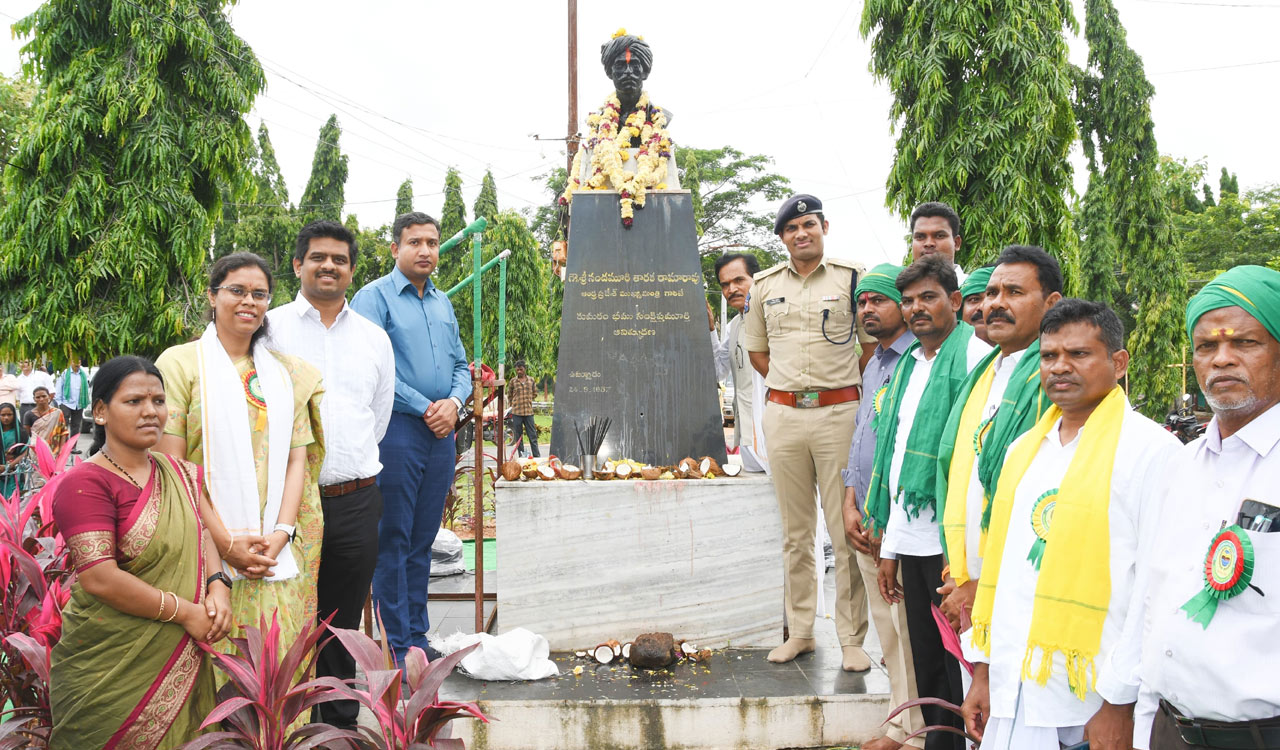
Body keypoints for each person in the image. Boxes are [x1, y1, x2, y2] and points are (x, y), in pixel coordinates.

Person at [958, 300, 1180, 750]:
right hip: (1013, 686)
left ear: (1118, 363)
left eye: (1078, 355)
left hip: (1089, 698)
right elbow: (1004, 575)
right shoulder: (1024, 449)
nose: (1060, 367)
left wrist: (1118, 704)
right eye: (1049, 356)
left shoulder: (1151, 452)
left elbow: (1154, 593)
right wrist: (983, 672)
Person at [1123, 265, 1280, 748]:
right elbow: (1154, 603)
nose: (1222, 360)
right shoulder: (1180, 465)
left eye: (1246, 343)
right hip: (1169, 730)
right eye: (1206, 347)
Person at [49, 355, 234, 748]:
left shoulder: (179, 472)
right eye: (134, 401)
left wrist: (219, 586)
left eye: (158, 400)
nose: (151, 411)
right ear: (100, 412)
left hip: (181, 652)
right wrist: (187, 612)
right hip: (109, 667)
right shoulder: (85, 483)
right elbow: (100, 578)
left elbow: (201, 534)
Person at [156, 252, 326, 665]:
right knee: (215, 666)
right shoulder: (179, 364)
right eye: (236, 290)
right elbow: (175, 468)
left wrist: (282, 535)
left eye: (259, 293)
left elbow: (295, 461)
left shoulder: (287, 373)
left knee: (281, 668)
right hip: (203, 543)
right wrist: (227, 543)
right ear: (212, 296)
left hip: (278, 551)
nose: (249, 301)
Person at [266, 220, 394, 729]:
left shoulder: (373, 338)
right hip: (284, 504)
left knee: (341, 622)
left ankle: (338, 729)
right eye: (317, 257)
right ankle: (283, 726)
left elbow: (377, 417)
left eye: (339, 259)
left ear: (352, 270)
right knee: (284, 617)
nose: (328, 266)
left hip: (355, 498)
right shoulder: (270, 329)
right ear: (297, 265)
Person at [741, 194, 876, 671]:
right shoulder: (763, 286)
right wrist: (792, 388)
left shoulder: (852, 278)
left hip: (840, 414)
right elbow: (758, 353)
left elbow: (869, 347)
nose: (802, 233)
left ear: (824, 227)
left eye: (809, 225)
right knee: (796, 533)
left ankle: (852, 639)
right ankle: (801, 632)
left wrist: (835, 386)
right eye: (792, 228)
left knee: (845, 529)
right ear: (781, 237)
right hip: (784, 416)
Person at [866, 255, 991, 750]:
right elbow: (898, 463)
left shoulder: (975, 356)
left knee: (966, 669)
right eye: (910, 300)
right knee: (930, 672)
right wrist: (891, 549)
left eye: (928, 297)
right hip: (913, 540)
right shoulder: (908, 366)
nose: (916, 309)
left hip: (955, 545)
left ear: (955, 302)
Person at [351, 212, 470, 663]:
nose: (425, 251)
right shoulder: (374, 298)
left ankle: (419, 637)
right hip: (397, 430)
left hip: (441, 432)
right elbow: (372, 368)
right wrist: (424, 406)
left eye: (432, 242)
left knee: (424, 540)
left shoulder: (441, 302)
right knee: (393, 540)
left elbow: (462, 365)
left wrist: (453, 404)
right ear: (395, 248)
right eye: (415, 242)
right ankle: (398, 646)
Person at [936, 246, 1062, 640]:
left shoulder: (1055, 381)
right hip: (966, 579)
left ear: (1052, 303)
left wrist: (981, 585)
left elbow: (1043, 497)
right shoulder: (986, 373)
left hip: (1023, 584)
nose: (995, 304)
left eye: (1014, 293)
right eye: (991, 294)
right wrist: (959, 575)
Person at [841, 263, 923, 750]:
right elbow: (862, 440)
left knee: (908, 632)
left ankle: (913, 734)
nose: (867, 309)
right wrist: (850, 502)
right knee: (889, 637)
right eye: (862, 301)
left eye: (879, 300)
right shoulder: (874, 363)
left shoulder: (918, 361)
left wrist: (887, 522)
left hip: (898, 524)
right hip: (865, 515)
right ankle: (900, 721)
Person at [712, 252, 768, 473]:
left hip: (773, 428)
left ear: (757, 280)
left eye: (739, 280)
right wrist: (709, 329)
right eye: (725, 284)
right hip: (746, 433)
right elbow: (718, 371)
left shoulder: (773, 318)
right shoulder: (734, 325)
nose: (731, 289)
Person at [909, 202, 967, 283]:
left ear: (956, 243)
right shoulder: (897, 292)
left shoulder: (978, 290)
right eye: (920, 237)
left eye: (939, 236)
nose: (929, 243)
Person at [24, 385, 70, 454]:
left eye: (44, 396)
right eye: (38, 397)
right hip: (36, 450)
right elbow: (27, 435)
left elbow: (63, 432)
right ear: (34, 399)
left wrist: (61, 449)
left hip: (53, 450)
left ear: (49, 397)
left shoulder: (57, 412)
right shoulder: (29, 415)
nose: (41, 399)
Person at [508, 360, 539, 458]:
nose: (519, 372)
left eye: (521, 369)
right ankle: (522, 457)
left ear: (525, 369)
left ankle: (537, 456)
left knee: (532, 436)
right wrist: (514, 403)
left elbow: (535, 393)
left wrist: (528, 399)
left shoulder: (531, 380)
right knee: (519, 437)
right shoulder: (513, 381)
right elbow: (509, 395)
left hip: (529, 413)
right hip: (517, 413)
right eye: (517, 370)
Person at [56, 357, 90, 443]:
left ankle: (73, 446)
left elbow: (86, 388)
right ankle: (64, 446)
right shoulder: (64, 373)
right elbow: (59, 388)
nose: (77, 364)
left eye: (79, 361)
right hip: (66, 403)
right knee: (64, 425)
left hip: (78, 404)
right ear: (71, 362)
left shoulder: (83, 374)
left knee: (76, 426)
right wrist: (59, 403)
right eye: (75, 361)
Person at [959, 265, 995, 346]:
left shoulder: (1025, 357)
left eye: (991, 298)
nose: (982, 307)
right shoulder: (941, 357)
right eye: (974, 299)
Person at [0, 402, 29, 498]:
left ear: (14, 415)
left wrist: (9, 466)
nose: (6, 418)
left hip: (14, 470)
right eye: (3, 415)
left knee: (13, 499)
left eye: (9, 414)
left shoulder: (22, 433)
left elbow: (24, 453)